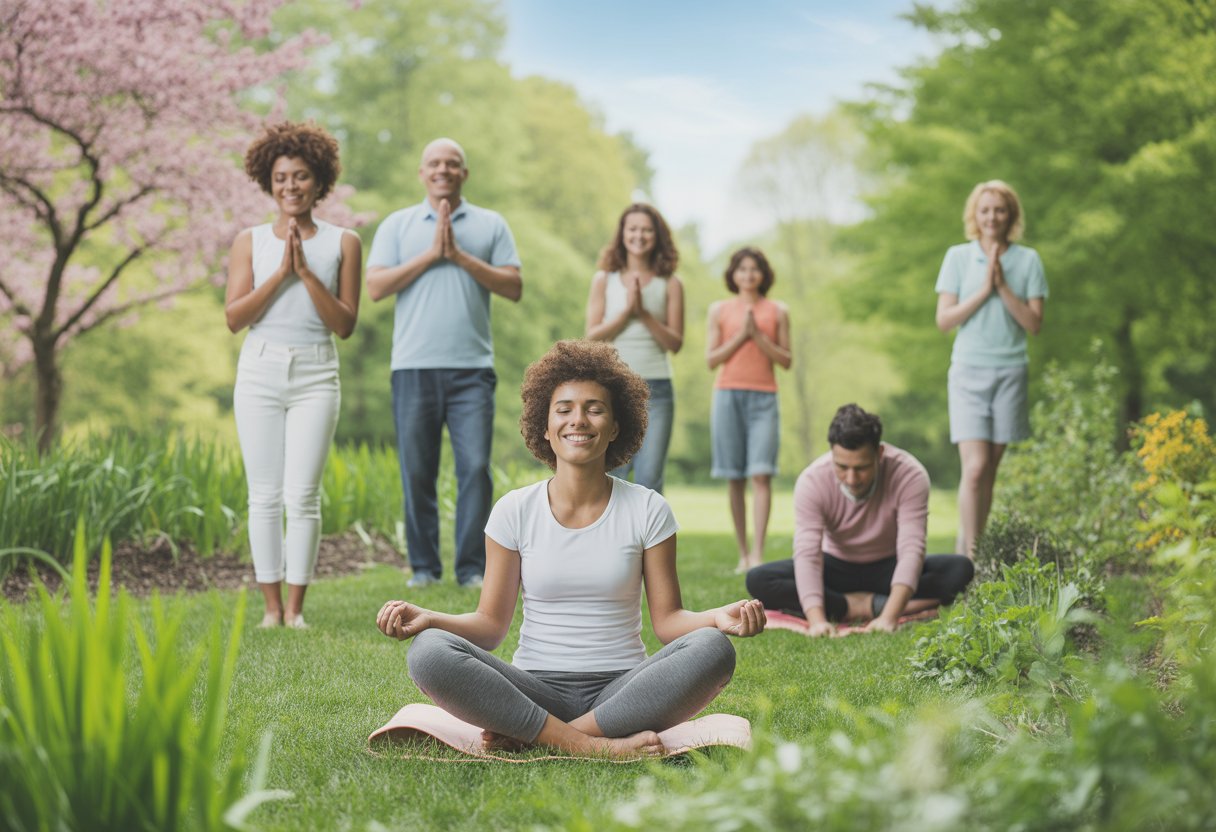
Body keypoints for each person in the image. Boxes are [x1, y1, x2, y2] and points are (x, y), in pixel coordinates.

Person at [376, 340, 765, 758]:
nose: (578, 420)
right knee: (430, 651)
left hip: (623, 692)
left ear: (616, 426)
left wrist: (718, 619)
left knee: (711, 649)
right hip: (534, 691)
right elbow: (490, 627)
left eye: (595, 409)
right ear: (544, 426)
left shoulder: (649, 508)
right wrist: (430, 618)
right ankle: (590, 747)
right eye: (564, 409)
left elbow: (668, 623)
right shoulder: (514, 511)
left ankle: (547, 739)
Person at [366, 138, 523, 589]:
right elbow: (375, 287)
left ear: (464, 174)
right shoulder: (398, 225)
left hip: (472, 369)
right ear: (422, 173)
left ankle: (471, 568)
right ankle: (424, 567)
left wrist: (459, 257)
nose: (443, 170)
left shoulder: (491, 224)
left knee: (474, 467)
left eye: (452, 163)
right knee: (418, 469)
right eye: (434, 163)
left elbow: (513, 286)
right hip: (413, 367)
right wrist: (432, 256)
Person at [225, 121, 362, 629]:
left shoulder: (343, 242)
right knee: (263, 494)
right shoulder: (250, 241)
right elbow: (235, 317)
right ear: (268, 180)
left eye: (300, 177)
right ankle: (271, 610)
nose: (290, 187)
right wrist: (281, 273)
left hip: (315, 372)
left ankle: (297, 612)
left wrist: (305, 273)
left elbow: (344, 324)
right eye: (281, 177)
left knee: (302, 494)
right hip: (259, 369)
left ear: (318, 181)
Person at [746, 404, 974, 637]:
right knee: (759, 580)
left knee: (960, 570)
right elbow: (808, 554)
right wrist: (817, 621)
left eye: (861, 467)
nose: (851, 479)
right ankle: (856, 606)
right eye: (842, 467)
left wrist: (889, 617)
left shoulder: (910, 475)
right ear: (832, 454)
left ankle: (876, 605)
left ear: (879, 454)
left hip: (888, 567)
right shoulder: (812, 480)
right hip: (835, 568)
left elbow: (911, 549)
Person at [935, 180, 1047, 557]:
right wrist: (983, 290)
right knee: (977, 467)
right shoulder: (957, 257)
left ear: (1011, 215)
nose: (992, 217)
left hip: (1010, 372)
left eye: (999, 209)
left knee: (988, 474)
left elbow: (1033, 323)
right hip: (968, 372)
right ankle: (971, 559)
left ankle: (969, 548)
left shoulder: (1028, 260)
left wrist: (1002, 286)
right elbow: (945, 320)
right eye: (985, 210)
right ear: (975, 215)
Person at [584, 203, 684, 493]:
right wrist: (627, 312)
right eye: (633, 229)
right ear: (623, 234)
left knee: (650, 479)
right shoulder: (604, 279)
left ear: (657, 236)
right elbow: (592, 337)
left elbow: (674, 343)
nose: (639, 235)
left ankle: (651, 540)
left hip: (658, 390)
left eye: (647, 230)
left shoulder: (671, 283)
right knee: (611, 471)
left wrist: (644, 314)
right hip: (613, 387)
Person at [706, 247, 791, 573]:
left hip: (764, 398)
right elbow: (711, 359)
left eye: (754, 269)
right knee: (734, 477)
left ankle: (758, 553)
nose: (748, 275)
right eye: (742, 269)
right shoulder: (720, 310)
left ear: (763, 274)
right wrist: (743, 335)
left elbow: (786, 360)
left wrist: (759, 336)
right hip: (727, 395)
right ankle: (743, 553)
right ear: (733, 274)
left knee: (761, 473)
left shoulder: (778, 311)